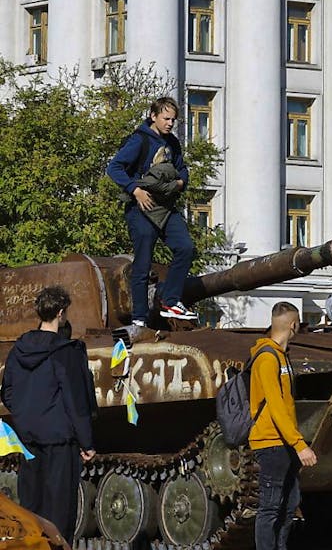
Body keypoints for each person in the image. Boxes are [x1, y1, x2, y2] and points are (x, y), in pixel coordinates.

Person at [1, 286, 97, 542]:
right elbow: (76, 402)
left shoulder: (19, 349)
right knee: (58, 511)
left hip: (27, 438)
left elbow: (7, 391)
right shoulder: (66, 353)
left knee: (31, 508)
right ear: (61, 313)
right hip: (59, 441)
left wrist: (25, 414)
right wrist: (87, 442)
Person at [107, 96, 198, 326]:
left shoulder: (173, 143)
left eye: (173, 120)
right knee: (143, 263)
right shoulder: (140, 140)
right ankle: (139, 317)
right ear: (153, 116)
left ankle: (171, 301)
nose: (169, 123)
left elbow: (182, 169)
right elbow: (114, 168)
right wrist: (134, 190)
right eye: (166, 118)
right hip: (142, 207)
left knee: (185, 248)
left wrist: (180, 183)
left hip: (165, 207)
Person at [249, 302, 317, 550]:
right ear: (293, 324)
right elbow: (276, 407)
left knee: (289, 505)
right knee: (270, 507)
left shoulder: (281, 357)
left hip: (284, 442)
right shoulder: (267, 358)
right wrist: (300, 444)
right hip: (271, 442)